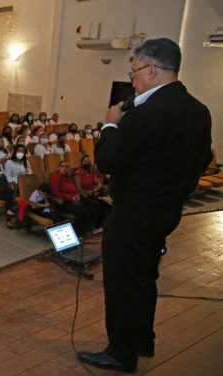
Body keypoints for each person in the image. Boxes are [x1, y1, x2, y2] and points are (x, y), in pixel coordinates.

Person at [78, 38, 212, 373]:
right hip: (165, 212)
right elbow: (202, 161)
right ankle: (142, 340)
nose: (133, 77)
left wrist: (110, 123)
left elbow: (107, 160)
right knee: (144, 278)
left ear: (151, 70)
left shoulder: (147, 113)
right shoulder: (198, 110)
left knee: (123, 283)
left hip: (133, 213)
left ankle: (121, 353)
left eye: (134, 70)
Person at [49, 161, 94, 236]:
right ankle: (78, 234)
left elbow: (74, 188)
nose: (64, 168)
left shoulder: (68, 177)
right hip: (62, 202)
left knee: (92, 207)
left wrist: (77, 194)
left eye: (67, 167)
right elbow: (56, 193)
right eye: (62, 166)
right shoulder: (55, 177)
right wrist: (71, 197)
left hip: (73, 199)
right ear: (59, 168)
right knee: (84, 212)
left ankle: (88, 230)